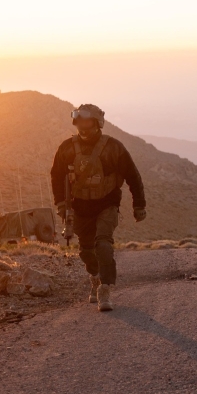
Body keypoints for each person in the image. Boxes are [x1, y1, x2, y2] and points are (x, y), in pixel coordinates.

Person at [50, 104, 146, 312]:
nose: (83, 127)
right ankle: (94, 277)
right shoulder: (66, 148)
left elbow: (132, 176)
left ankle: (106, 288)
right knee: (85, 251)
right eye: (80, 122)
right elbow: (57, 177)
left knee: (103, 245)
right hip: (79, 207)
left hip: (107, 204)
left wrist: (139, 205)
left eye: (88, 122)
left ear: (97, 123)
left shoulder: (113, 148)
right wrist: (61, 204)